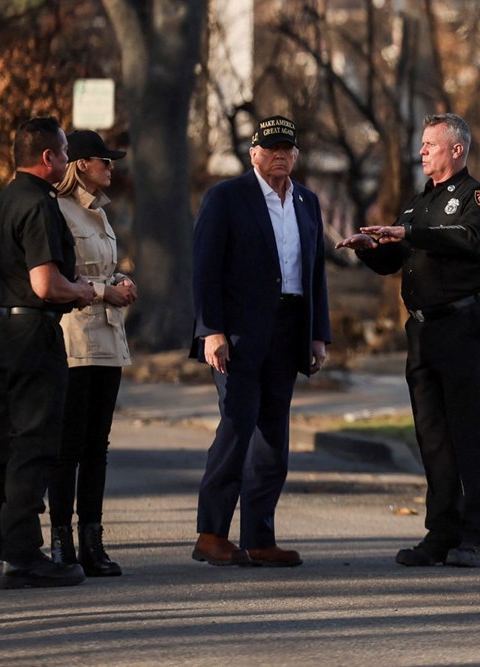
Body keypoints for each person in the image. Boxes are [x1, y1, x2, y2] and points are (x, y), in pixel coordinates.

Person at [336, 113, 480, 568]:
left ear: (457, 149)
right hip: (423, 330)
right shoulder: (417, 204)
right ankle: (441, 533)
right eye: (423, 144)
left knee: (468, 432)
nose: (422, 151)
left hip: (465, 324)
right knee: (432, 436)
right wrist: (373, 251)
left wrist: (408, 233)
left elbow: (467, 240)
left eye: (430, 144)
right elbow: (398, 261)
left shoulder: (476, 199)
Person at [190, 115, 331, 568]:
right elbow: (205, 270)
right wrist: (210, 329)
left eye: (288, 149)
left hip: (289, 328)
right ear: (253, 154)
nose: (280, 156)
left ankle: (259, 538)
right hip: (237, 334)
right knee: (237, 427)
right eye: (271, 149)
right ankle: (211, 533)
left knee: (273, 436)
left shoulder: (307, 202)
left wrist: (317, 334)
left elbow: (316, 273)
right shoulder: (227, 198)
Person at [0, 116, 97, 589]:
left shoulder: (2, 199)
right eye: (64, 153)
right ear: (48, 157)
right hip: (32, 336)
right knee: (35, 444)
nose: (67, 161)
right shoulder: (40, 204)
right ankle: (21, 555)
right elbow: (45, 283)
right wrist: (81, 290)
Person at [47, 130, 136, 577]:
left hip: (108, 339)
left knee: (97, 447)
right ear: (81, 164)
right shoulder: (58, 211)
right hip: (75, 340)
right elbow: (63, 278)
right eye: (105, 159)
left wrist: (119, 280)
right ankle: (60, 539)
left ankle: (92, 541)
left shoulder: (100, 213)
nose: (111, 166)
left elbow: (97, 268)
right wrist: (105, 290)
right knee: (69, 446)